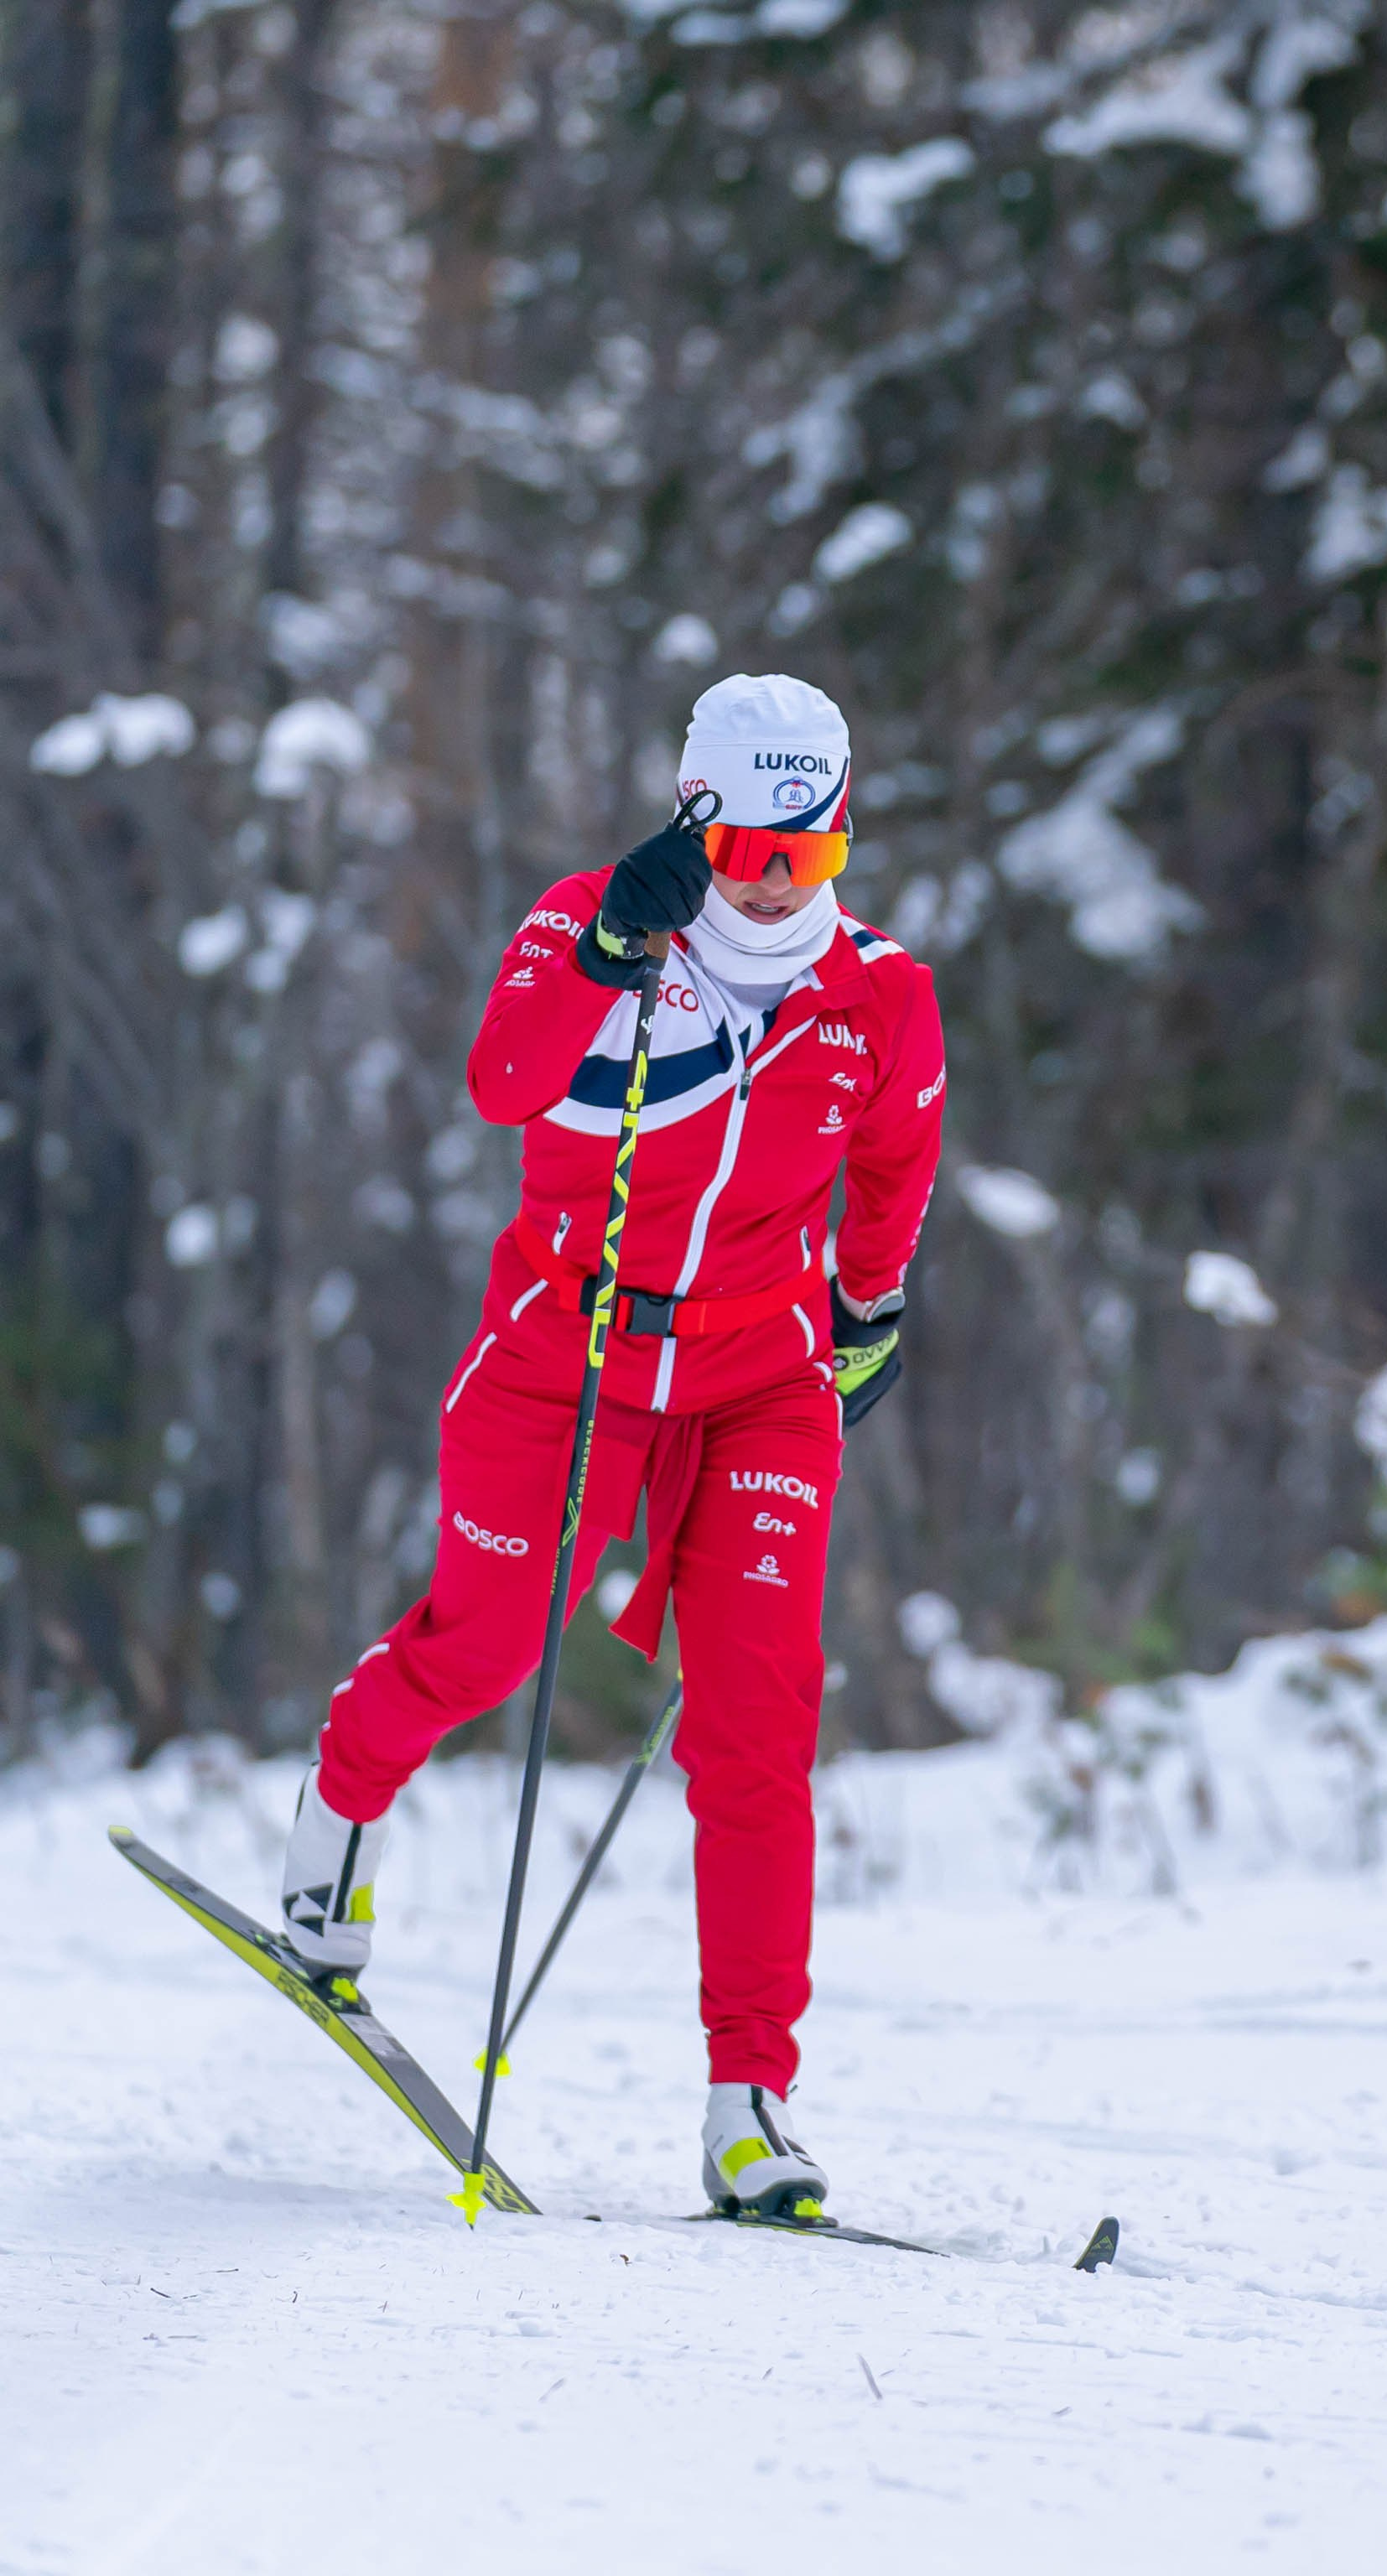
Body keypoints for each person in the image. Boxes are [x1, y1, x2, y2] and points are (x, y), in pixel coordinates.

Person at [278, 673, 945, 2216]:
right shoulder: (598, 923)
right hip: (567, 1352)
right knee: (487, 1647)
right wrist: (607, 951)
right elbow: (502, 1080)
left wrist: (873, 1307)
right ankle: (339, 1804)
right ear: (696, 824)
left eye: (816, 854)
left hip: (759, 1378)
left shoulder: (879, 994)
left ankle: (749, 2103)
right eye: (752, 852)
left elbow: (898, 1155)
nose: (780, 885)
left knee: (758, 1723)